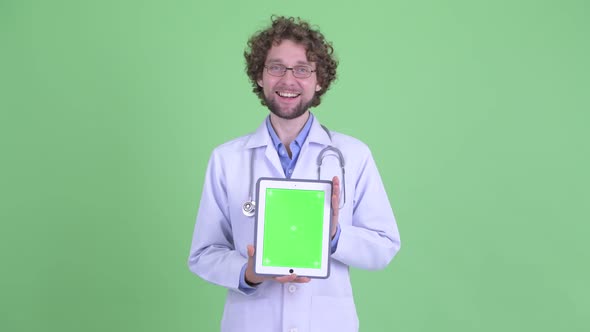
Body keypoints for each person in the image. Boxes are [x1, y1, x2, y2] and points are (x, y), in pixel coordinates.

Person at [188, 16, 401, 332]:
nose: (288, 80)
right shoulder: (227, 159)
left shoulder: (353, 155)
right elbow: (204, 254)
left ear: (319, 81)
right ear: (260, 76)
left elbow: (384, 246)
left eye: (302, 69)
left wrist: (334, 235)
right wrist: (249, 272)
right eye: (276, 67)